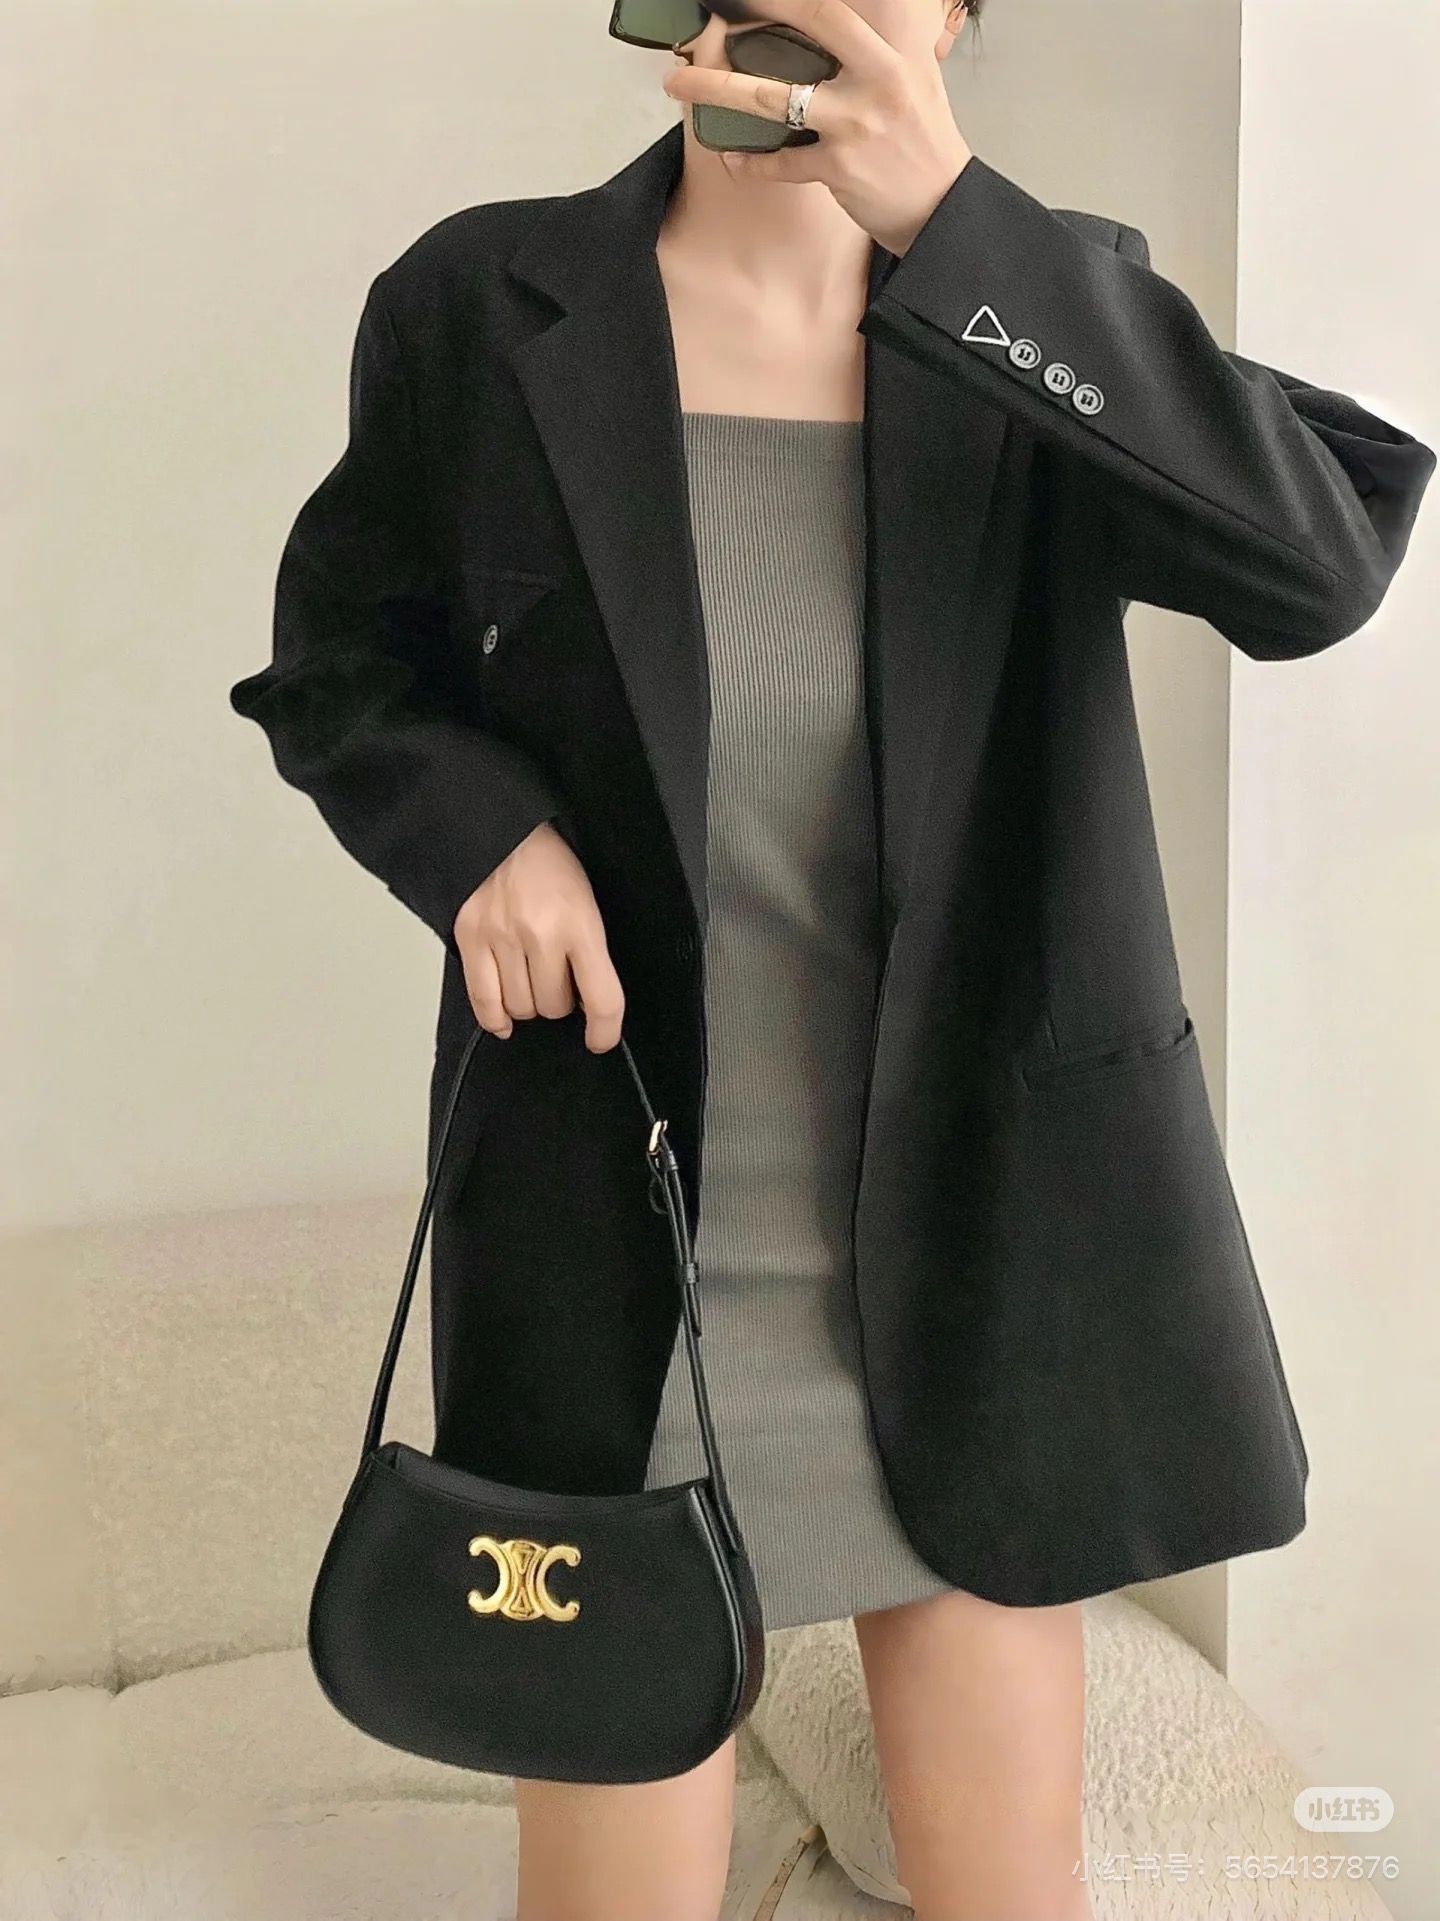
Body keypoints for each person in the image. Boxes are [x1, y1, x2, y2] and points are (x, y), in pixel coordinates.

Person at [228, 3, 1434, 1918]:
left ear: (956, 16)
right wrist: (480, 837)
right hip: (623, 1254)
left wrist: (956, 223)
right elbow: (337, 661)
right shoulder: (484, 304)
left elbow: (1323, 558)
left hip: (971, 1262)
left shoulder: (1043, 307)